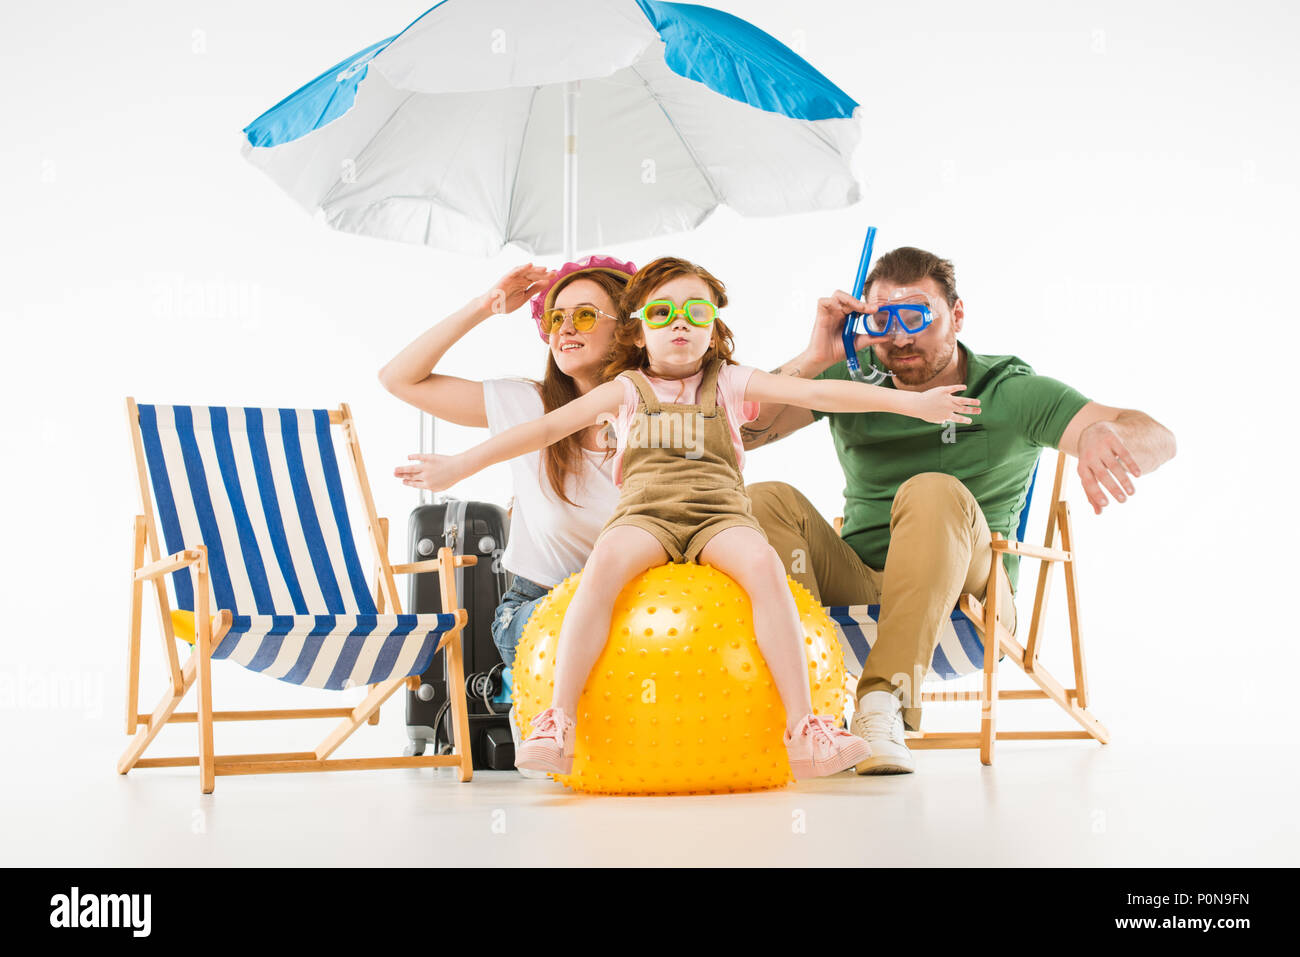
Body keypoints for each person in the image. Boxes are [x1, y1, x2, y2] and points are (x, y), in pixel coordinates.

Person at [395, 256, 982, 779]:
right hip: (643, 519)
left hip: (719, 516)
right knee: (600, 576)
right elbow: (543, 429)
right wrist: (457, 467)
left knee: (766, 573)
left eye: (694, 311)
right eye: (663, 312)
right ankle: (557, 721)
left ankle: (808, 726)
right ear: (641, 328)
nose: (679, 322)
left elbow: (822, 394)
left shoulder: (726, 382)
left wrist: (912, 402)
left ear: (712, 328)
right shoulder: (623, 390)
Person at [738, 245, 1177, 774]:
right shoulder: (854, 383)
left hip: (968, 605)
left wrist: (1106, 432)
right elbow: (732, 432)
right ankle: (803, 714)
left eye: (917, 315)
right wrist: (813, 360)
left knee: (930, 489)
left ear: (957, 315)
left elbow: (1159, 436)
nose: (900, 336)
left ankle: (883, 707)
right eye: (883, 319)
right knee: (764, 499)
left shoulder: (1010, 392)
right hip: (855, 589)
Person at [378, 255, 637, 767]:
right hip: (539, 607)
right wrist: (485, 306)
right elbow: (399, 379)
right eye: (555, 317)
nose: (565, 328)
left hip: (637, 604)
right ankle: (521, 692)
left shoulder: (657, 410)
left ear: (627, 331)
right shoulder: (526, 405)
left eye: (585, 316)